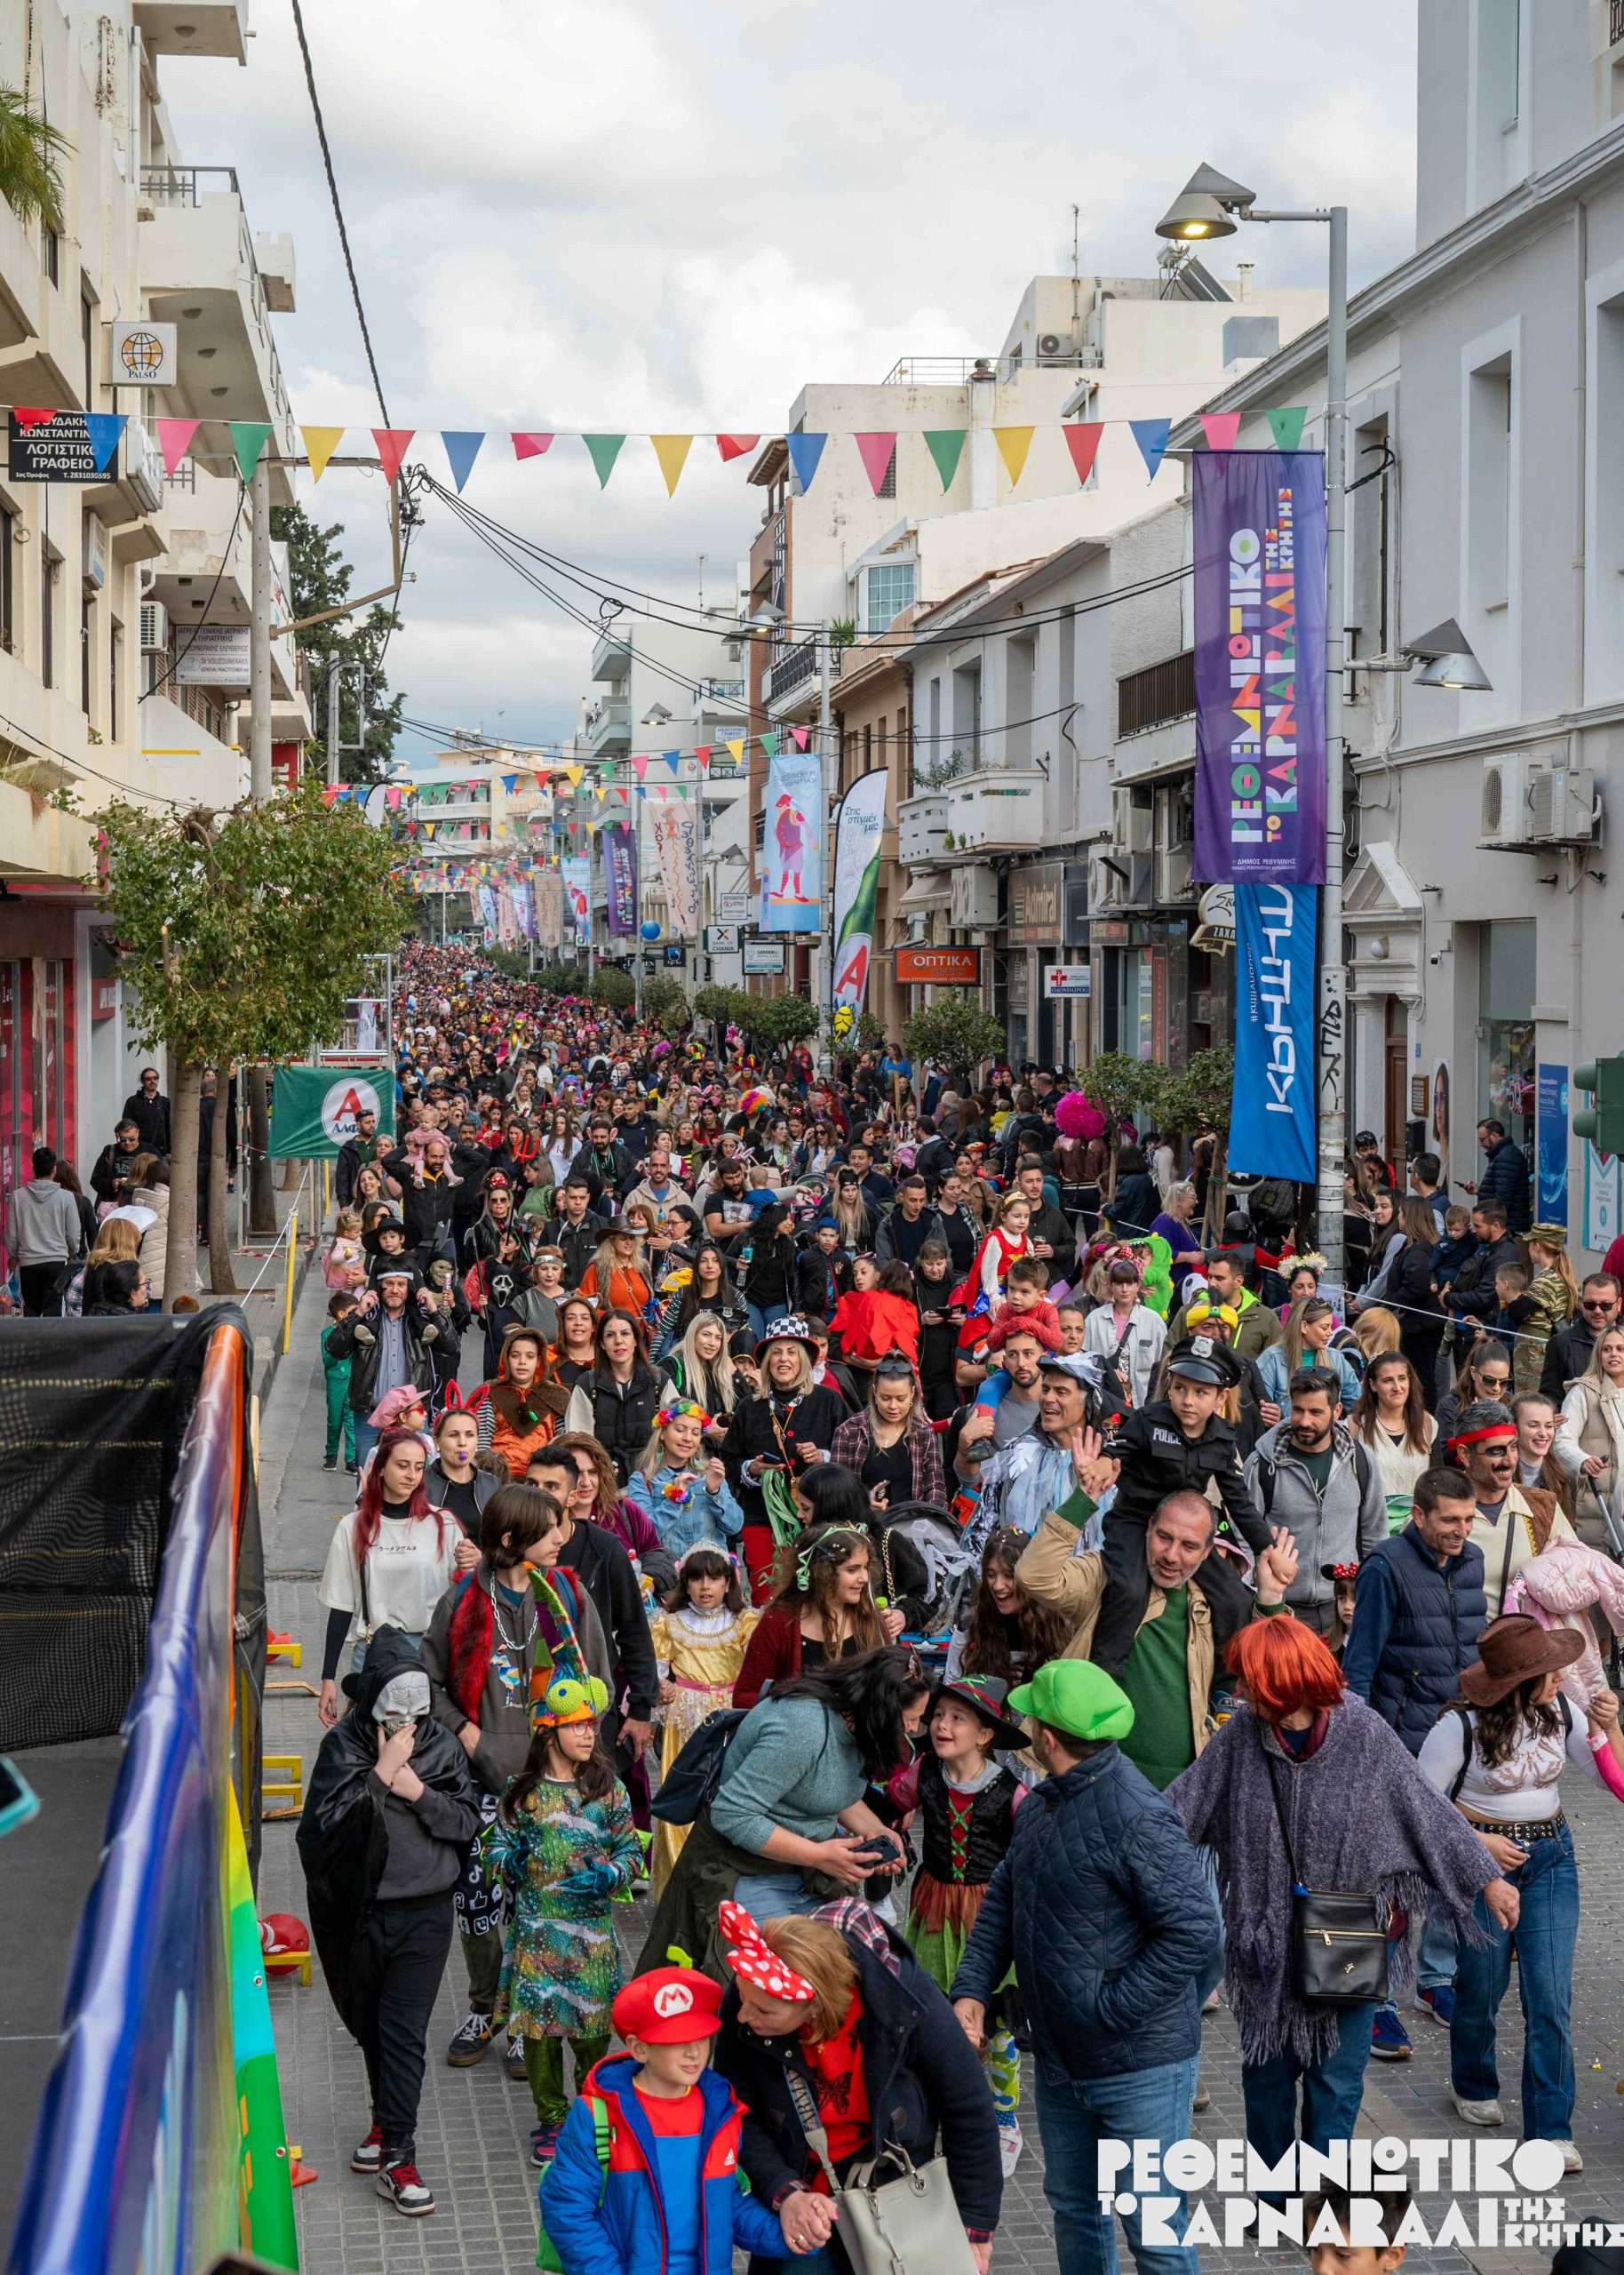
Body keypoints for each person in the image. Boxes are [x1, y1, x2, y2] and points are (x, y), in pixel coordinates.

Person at [1166, 1616, 1517, 2167]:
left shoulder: (1365, 1733)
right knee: (1266, 2083)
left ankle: (1323, 2204)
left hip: (1348, 1941)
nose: (1238, 1695)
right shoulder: (1241, 1736)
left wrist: (1487, 1879)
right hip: (1265, 1948)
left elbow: (1426, 1811)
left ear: (1285, 1685)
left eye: (1249, 1684)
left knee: (1335, 2088)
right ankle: (1276, 2200)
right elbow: (1179, 1808)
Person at [951, 1657, 1219, 2275]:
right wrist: (971, 1986)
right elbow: (1005, 1899)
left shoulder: (1138, 1815)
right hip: (1065, 2062)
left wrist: (1108, 2008)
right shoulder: (1042, 1806)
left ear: (1047, 1736)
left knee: (1153, 2230)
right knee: (1076, 2209)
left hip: (1139, 2066)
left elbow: (1195, 1931)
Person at [1419, 1613, 1624, 2164]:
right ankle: (1474, 2079)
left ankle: (1550, 2131)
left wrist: (1613, 1726)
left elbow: (1617, 1781)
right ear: (1518, 1681)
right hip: (1481, 1867)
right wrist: (1479, 1842)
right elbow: (1418, 1810)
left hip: (1553, 1860)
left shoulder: (1562, 1711)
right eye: (1550, 1670)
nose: (1561, 1676)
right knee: (1481, 1987)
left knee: (1550, 1996)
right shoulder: (1457, 1728)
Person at [422, 1480, 610, 2076]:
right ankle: (485, 2008)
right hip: (478, 1781)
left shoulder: (569, 1595)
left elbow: (596, 1679)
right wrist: (466, 1731)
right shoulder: (460, 1603)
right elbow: (425, 1681)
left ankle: (527, 2017)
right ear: (510, 1540)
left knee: (539, 1902)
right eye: (549, 1529)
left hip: (552, 1783)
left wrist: (578, 1759)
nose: (562, 1536)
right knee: (478, 1903)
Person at [297, 1625, 481, 2216]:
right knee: (371, 2028)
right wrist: (379, 1776)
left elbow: (465, 1822)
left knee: (403, 2036)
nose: (409, 1718)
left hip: (425, 1916)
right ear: (371, 1697)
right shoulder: (343, 1749)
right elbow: (320, 1834)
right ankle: (384, 2126)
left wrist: (414, 1786)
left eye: (418, 1704)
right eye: (396, 1703)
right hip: (358, 1918)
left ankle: (400, 2153)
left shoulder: (440, 1748)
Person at [712, 1904, 1002, 2275]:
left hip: (896, 2195)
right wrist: (784, 2192)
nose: (743, 2017)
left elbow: (969, 2105)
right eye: (743, 2000)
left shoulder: (900, 1995)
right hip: (808, 2197)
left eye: (764, 2012)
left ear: (813, 2006)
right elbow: (738, 2112)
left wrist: (975, 2227)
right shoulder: (747, 1994)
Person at [639, 1648, 930, 1978]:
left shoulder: (855, 1725)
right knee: (774, 1981)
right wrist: (820, 1855)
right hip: (740, 1867)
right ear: (881, 1708)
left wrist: (875, 1830)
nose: (913, 1727)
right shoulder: (801, 1728)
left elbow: (827, 1790)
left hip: (800, 1870)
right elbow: (732, 1814)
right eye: (911, 1717)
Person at [537, 1960, 804, 2275]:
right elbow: (567, 2211)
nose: (694, 2052)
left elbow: (728, 2205)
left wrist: (796, 2234)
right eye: (677, 2040)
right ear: (639, 2049)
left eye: (702, 2037)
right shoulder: (596, 2115)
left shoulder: (721, 2112)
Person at [484, 1672, 642, 2165]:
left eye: (592, 1724)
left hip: (591, 1937)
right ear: (548, 1732)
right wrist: (511, 1861)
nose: (589, 1734)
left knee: (594, 2034)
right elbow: (495, 1848)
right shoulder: (521, 1791)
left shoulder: (608, 1790)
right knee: (539, 2036)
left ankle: (594, 2115)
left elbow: (633, 1851)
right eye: (577, 1726)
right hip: (535, 1936)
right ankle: (551, 2120)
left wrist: (610, 1876)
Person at [1089, 1335, 1270, 1677]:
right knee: (1128, 1589)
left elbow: (1239, 1501)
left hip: (1186, 1533)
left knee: (1235, 1599)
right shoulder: (1148, 1420)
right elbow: (1116, 1452)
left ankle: (1223, 1681)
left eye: (1201, 1393)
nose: (1188, 1401)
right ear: (1169, 1387)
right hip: (1135, 1521)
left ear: (1220, 1398)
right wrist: (1102, 1462)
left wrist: (1266, 1548)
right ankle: (1106, 1670)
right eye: (1180, 1388)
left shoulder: (1222, 1437)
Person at [316, 1428, 462, 1728]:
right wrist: (328, 1677)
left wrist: (478, 1561)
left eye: (419, 1467)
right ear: (381, 1468)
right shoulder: (353, 1527)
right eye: (402, 1465)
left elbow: (465, 1596)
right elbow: (342, 1605)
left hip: (430, 1653)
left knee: (426, 1755)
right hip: (374, 1653)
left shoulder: (443, 1523)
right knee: (365, 1753)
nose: (411, 1475)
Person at [647, 1548, 760, 1896]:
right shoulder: (670, 1623)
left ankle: (728, 1885)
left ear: (729, 1582)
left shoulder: (745, 1622)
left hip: (731, 1720)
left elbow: (757, 1670)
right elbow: (655, 1671)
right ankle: (680, 1890)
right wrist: (659, 1686)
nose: (705, 1586)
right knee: (684, 1794)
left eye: (714, 1578)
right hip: (685, 1722)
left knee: (728, 1795)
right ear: (686, 1582)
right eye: (696, 1578)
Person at [1243, 1368, 1387, 1633]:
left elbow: (1375, 1537)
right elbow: (1243, 1538)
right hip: (1282, 1610)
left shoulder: (1362, 1462)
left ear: (1337, 1410)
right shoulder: (1262, 1464)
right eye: (1298, 1410)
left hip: (1343, 1612)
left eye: (1316, 1412)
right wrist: (1257, 1593)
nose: (1305, 1421)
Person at [721, 1318, 846, 1596]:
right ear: (766, 1361)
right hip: (760, 1518)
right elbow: (729, 1460)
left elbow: (847, 1456)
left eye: (791, 1352)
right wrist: (751, 1469)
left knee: (815, 1596)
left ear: (804, 1359)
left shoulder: (828, 1401)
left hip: (816, 1522)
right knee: (766, 1597)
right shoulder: (749, 1407)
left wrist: (821, 1457)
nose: (783, 1359)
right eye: (776, 1352)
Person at [732, 1523, 898, 1707]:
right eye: (852, 1570)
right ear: (822, 1572)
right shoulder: (780, 1621)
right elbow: (744, 1695)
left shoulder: (869, 1617)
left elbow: (889, 1689)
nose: (864, 1578)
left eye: (865, 1567)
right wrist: (791, 1705)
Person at [1449, 1396, 1576, 1616]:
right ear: (1465, 1455)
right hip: (1458, 1647)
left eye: (1513, 1447)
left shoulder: (1542, 1506)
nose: (1509, 1461)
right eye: (1497, 1451)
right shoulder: (1438, 1512)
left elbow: (1574, 1572)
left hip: (1525, 1646)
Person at [329, 1265, 461, 1472]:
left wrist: (434, 1311)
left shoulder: (421, 1322)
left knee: (413, 1482)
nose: (395, 1289)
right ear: (379, 1288)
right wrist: (359, 1313)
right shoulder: (368, 1320)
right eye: (389, 1284)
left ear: (409, 1289)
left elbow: (451, 1347)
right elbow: (334, 1349)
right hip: (370, 1417)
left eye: (401, 1284)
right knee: (368, 1484)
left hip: (412, 1418)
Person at [947, 1525, 1072, 1688]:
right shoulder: (972, 1625)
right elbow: (951, 1687)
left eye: (1009, 1575)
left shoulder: (1058, 1626)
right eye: (991, 1575)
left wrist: (1035, 1687)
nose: (998, 1585)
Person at [562, 1308, 672, 1486]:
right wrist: (597, 1471)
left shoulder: (659, 1380)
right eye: (610, 1335)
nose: (619, 1341)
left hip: (654, 1476)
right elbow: (579, 1440)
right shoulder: (588, 1384)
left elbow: (675, 1430)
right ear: (602, 1344)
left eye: (625, 1333)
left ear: (636, 1339)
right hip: (605, 1477)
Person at [830, 1353, 946, 1517]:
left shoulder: (923, 1433)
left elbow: (935, 1487)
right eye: (885, 1398)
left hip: (912, 1529)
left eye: (901, 1399)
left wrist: (929, 1522)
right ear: (875, 1392)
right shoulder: (849, 1431)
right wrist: (865, 1502)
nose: (893, 1406)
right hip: (862, 1528)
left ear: (912, 1394)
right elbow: (837, 1491)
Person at [628, 1398, 745, 1558]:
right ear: (662, 1433)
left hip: (710, 1575)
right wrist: (673, 1501)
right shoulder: (642, 1480)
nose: (688, 1438)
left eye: (695, 1433)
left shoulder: (709, 1474)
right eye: (680, 1429)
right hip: (667, 1576)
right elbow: (643, 1537)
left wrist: (715, 1491)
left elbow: (734, 1526)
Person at [1348, 1353, 1437, 1530]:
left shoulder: (1427, 1424)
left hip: (1417, 1530)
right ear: (1373, 1385)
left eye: (1402, 1378)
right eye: (1388, 1380)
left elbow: (1435, 1482)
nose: (1397, 1387)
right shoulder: (1354, 1428)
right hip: (1371, 1528)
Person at [1554, 1323, 1624, 1550]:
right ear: (1598, 1354)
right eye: (1607, 1349)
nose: (1614, 1354)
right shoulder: (1582, 1391)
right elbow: (1561, 1440)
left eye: (1621, 1349)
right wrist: (1582, 1461)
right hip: (1598, 1502)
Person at [481, 1322, 569, 1473]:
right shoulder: (491, 1394)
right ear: (506, 1358)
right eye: (515, 1355)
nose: (522, 1362)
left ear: (539, 1361)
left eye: (530, 1356)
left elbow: (563, 1438)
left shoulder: (554, 1396)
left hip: (542, 1476)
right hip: (498, 1477)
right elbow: (482, 1440)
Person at [7, 1145, 84, 1314]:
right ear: (54, 1170)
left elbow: (12, 1234)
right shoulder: (66, 1197)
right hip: (56, 1260)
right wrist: (73, 1250)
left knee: (31, 1308)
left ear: (33, 1169)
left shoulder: (18, 1196)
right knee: (54, 1308)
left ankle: (31, 1341)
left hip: (28, 1262)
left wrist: (13, 1256)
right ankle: (52, 1341)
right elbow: (73, 1232)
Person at [1256, 1297, 1363, 1416]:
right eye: (1324, 1327)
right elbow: (1262, 1410)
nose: (1330, 1333)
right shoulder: (1271, 1360)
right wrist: (1275, 1418)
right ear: (1304, 1327)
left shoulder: (1337, 1359)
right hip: (1284, 1433)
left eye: (1331, 1327)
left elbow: (1358, 1408)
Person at [1082, 1257, 1166, 1407]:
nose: (1125, 1289)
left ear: (1138, 1286)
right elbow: (1084, 1360)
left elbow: (1162, 1366)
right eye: (1119, 1283)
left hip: (1142, 1404)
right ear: (1110, 1286)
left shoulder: (1154, 1321)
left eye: (1130, 1283)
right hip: (1102, 1402)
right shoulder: (1094, 1319)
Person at [422, 1396, 499, 1537]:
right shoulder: (420, 1482)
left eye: (470, 1435)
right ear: (437, 1442)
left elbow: (500, 1538)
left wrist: (481, 1555)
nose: (462, 1443)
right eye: (453, 1435)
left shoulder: (492, 1483)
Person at [1463, 1115, 1532, 1235]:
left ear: (1494, 1136)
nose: (1481, 1144)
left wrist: (1488, 1226)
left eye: (1482, 1139)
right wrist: (1480, 1191)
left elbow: (1503, 1199)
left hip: (1507, 1228)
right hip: (1505, 1226)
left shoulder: (1506, 1157)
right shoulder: (1502, 1155)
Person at [322, 1292, 360, 1473]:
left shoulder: (357, 1332)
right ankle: (331, 1455)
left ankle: (351, 1460)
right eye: (353, 1311)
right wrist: (338, 1350)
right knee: (334, 1421)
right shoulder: (328, 1334)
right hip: (336, 1382)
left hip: (353, 1382)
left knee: (351, 1422)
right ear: (341, 1314)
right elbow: (327, 1361)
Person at [336, 1105, 384, 1209]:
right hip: (356, 1201)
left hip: (380, 1199)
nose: (372, 1125)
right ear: (358, 1125)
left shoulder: (381, 1145)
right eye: (367, 1122)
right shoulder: (347, 1149)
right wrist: (343, 1205)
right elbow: (342, 1178)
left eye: (373, 1121)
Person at [123, 1065, 171, 1155]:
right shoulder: (132, 1102)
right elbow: (126, 1128)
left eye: (155, 1078)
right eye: (148, 1079)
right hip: (138, 1152)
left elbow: (168, 1128)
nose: (152, 1081)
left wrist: (169, 1151)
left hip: (160, 1152)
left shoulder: (165, 1102)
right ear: (142, 1081)